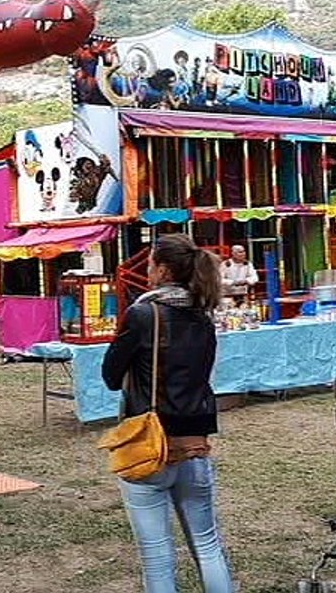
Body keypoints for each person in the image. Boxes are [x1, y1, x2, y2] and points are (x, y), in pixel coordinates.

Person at [102, 234, 234, 593]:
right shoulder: (203, 316)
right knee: (208, 546)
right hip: (195, 443)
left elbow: (111, 377)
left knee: (157, 555)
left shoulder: (144, 314)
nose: (146, 270)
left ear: (161, 270)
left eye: (149, 264)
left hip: (150, 443)